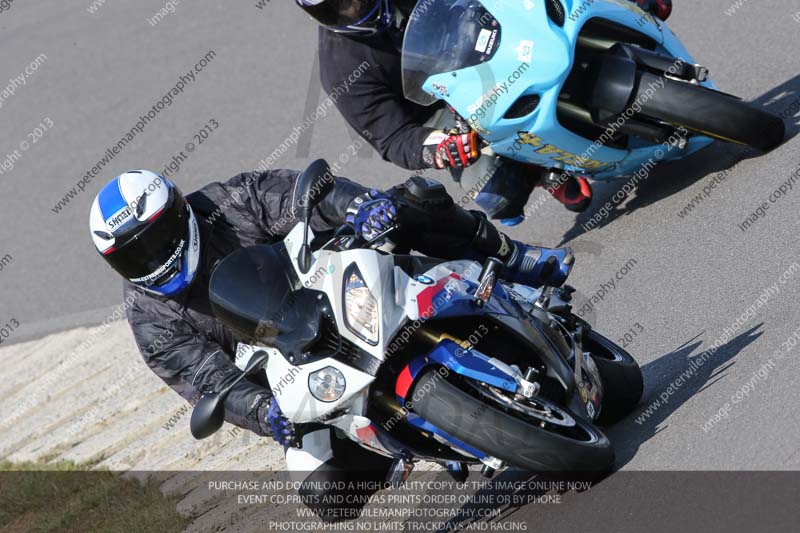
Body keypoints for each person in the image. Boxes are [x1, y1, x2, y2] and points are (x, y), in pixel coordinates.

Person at [89, 168, 573, 520]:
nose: (150, 262)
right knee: (323, 493)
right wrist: (264, 413)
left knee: (412, 200)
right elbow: (207, 380)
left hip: (333, 290)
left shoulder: (226, 202)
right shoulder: (148, 318)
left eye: (152, 244)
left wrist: (359, 207)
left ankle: (515, 261)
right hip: (297, 370)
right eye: (131, 258)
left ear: (178, 215)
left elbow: (302, 196)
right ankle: (404, 451)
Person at [296, 0, 673, 223]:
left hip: (494, 28)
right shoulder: (341, 67)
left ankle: (626, 8)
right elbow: (392, 137)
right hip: (451, 105)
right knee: (496, 194)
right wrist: (437, 148)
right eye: (338, 7)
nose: (353, 8)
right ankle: (540, 168)